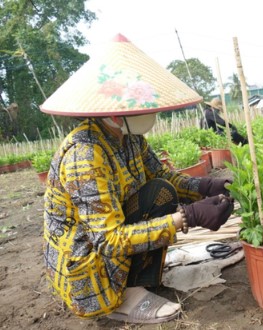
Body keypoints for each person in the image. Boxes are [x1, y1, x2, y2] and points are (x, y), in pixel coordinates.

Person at [40, 34, 234, 324]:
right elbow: (108, 240)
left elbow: (162, 177)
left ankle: (138, 282)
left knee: (161, 191)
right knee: (158, 201)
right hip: (87, 258)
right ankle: (121, 298)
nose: (152, 113)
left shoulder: (129, 138)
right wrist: (188, 217)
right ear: (116, 114)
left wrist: (205, 186)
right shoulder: (85, 155)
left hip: (107, 241)